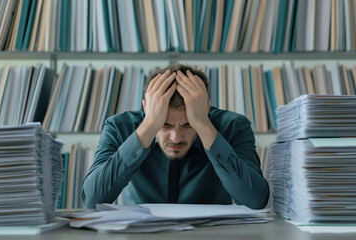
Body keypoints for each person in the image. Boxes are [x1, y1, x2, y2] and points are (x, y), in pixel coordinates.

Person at [82, 64, 269, 209]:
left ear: (205, 109)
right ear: (147, 109)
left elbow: (255, 200)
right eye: (165, 124)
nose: (176, 137)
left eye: (188, 124)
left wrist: (203, 124)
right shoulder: (119, 127)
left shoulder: (234, 127)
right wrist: (148, 126)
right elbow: (92, 199)